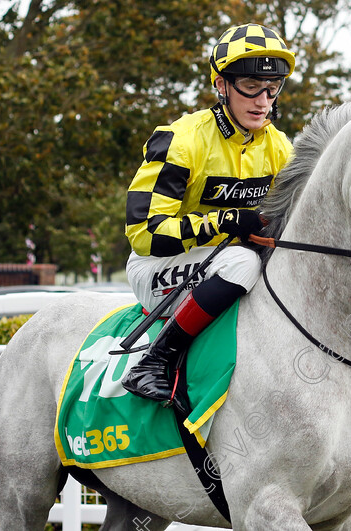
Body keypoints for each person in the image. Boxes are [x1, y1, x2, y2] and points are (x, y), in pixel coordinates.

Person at [121, 23, 295, 402]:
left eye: (273, 87)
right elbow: (143, 232)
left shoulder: (280, 147)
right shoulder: (181, 140)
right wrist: (226, 221)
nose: (263, 101)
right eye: (250, 85)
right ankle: (153, 361)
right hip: (155, 266)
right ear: (221, 84)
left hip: (222, 261)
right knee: (243, 264)